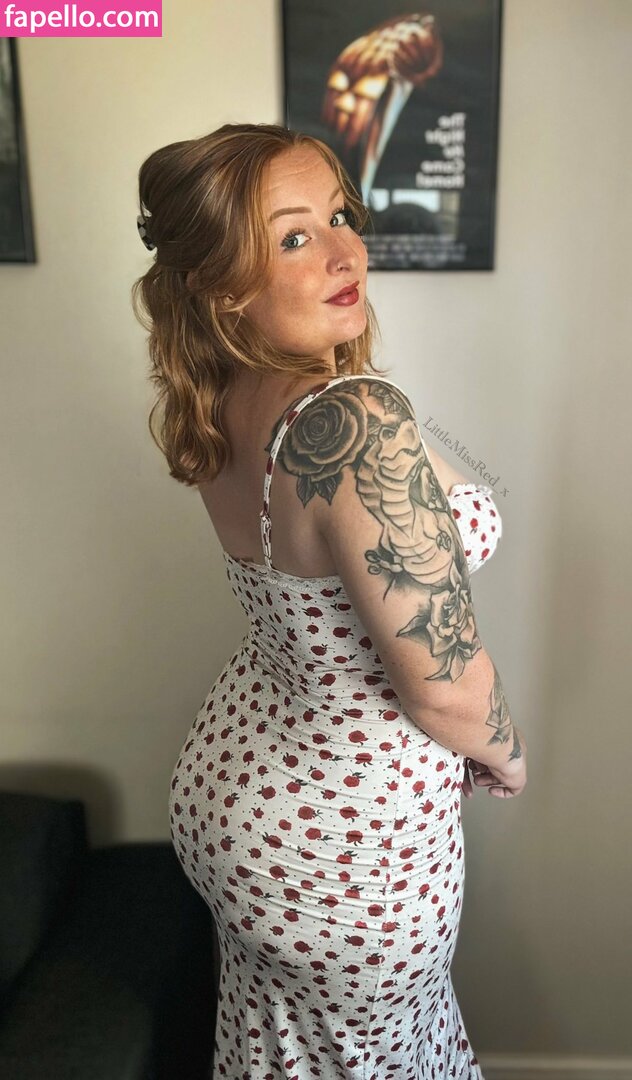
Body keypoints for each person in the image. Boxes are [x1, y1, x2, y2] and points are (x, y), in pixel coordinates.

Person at [132, 122, 527, 1080]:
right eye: (295, 236)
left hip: (241, 793)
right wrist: (506, 754)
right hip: (350, 851)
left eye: (343, 216)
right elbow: (444, 688)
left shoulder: (224, 392)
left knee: (279, 1052)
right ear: (223, 283)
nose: (348, 252)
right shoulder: (355, 420)